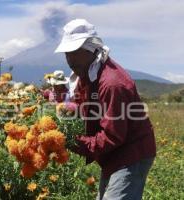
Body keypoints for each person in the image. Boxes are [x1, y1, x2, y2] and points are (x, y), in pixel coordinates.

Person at [55, 19, 156, 200]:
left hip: (131, 153)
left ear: (91, 49)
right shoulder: (86, 75)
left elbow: (112, 136)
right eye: (66, 53)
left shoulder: (112, 83)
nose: (69, 59)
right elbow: (80, 106)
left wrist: (69, 141)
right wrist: (60, 115)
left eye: (74, 52)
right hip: (114, 155)